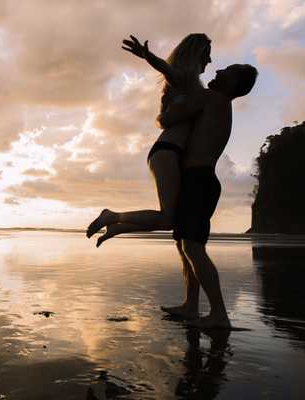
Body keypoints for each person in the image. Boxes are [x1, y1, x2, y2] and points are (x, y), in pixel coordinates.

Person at [86, 33, 212, 247]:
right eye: (207, 55)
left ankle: (118, 225)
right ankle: (112, 216)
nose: (210, 60)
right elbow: (167, 69)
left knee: (170, 220)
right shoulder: (184, 80)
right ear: (195, 55)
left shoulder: (190, 87)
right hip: (167, 151)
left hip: (171, 152)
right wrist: (147, 56)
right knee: (168, 218)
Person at [158, 64, 258, 328]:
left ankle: (219, 314)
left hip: (199, 180)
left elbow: (165, 120)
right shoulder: (220, 102)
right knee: (184, 246)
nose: (220, 69)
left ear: (234, 83)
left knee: (193, 247)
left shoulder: (213, 98)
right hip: (199, 180)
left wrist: (172, 98)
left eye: (229, 70)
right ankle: (191, 306)